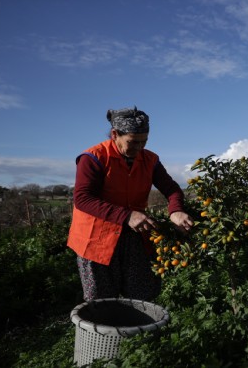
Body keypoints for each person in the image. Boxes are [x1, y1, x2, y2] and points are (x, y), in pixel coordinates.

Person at [67, 106, 193, 301]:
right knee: (102, 301)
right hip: (96, 240)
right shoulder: (94, 157)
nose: (139, 148)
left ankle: (139, 331)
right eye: (132, 142)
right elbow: (83, 198)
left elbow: (172, 189)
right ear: (115, 134)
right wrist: (126, 215)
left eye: (144, 142)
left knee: (141, 295)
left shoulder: (149, 160)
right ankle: (105, 331)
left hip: (133, 236)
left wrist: (175, 210)